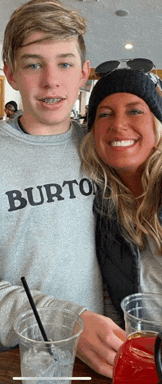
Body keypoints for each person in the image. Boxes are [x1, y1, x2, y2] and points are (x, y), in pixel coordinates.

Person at [0, 0, 124, 378]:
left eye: (64, 63)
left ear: (84, 72)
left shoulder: (101, 149)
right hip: (4, 364)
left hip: (95, 358)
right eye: (33, 64)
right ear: (9, 73)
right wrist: (66, 321)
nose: (51, 80)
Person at [81, 67, 162, 327]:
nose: (118, 125)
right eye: (105, 114)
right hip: (138, 356)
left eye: (135, 110)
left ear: (156, 123)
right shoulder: (103, 204)